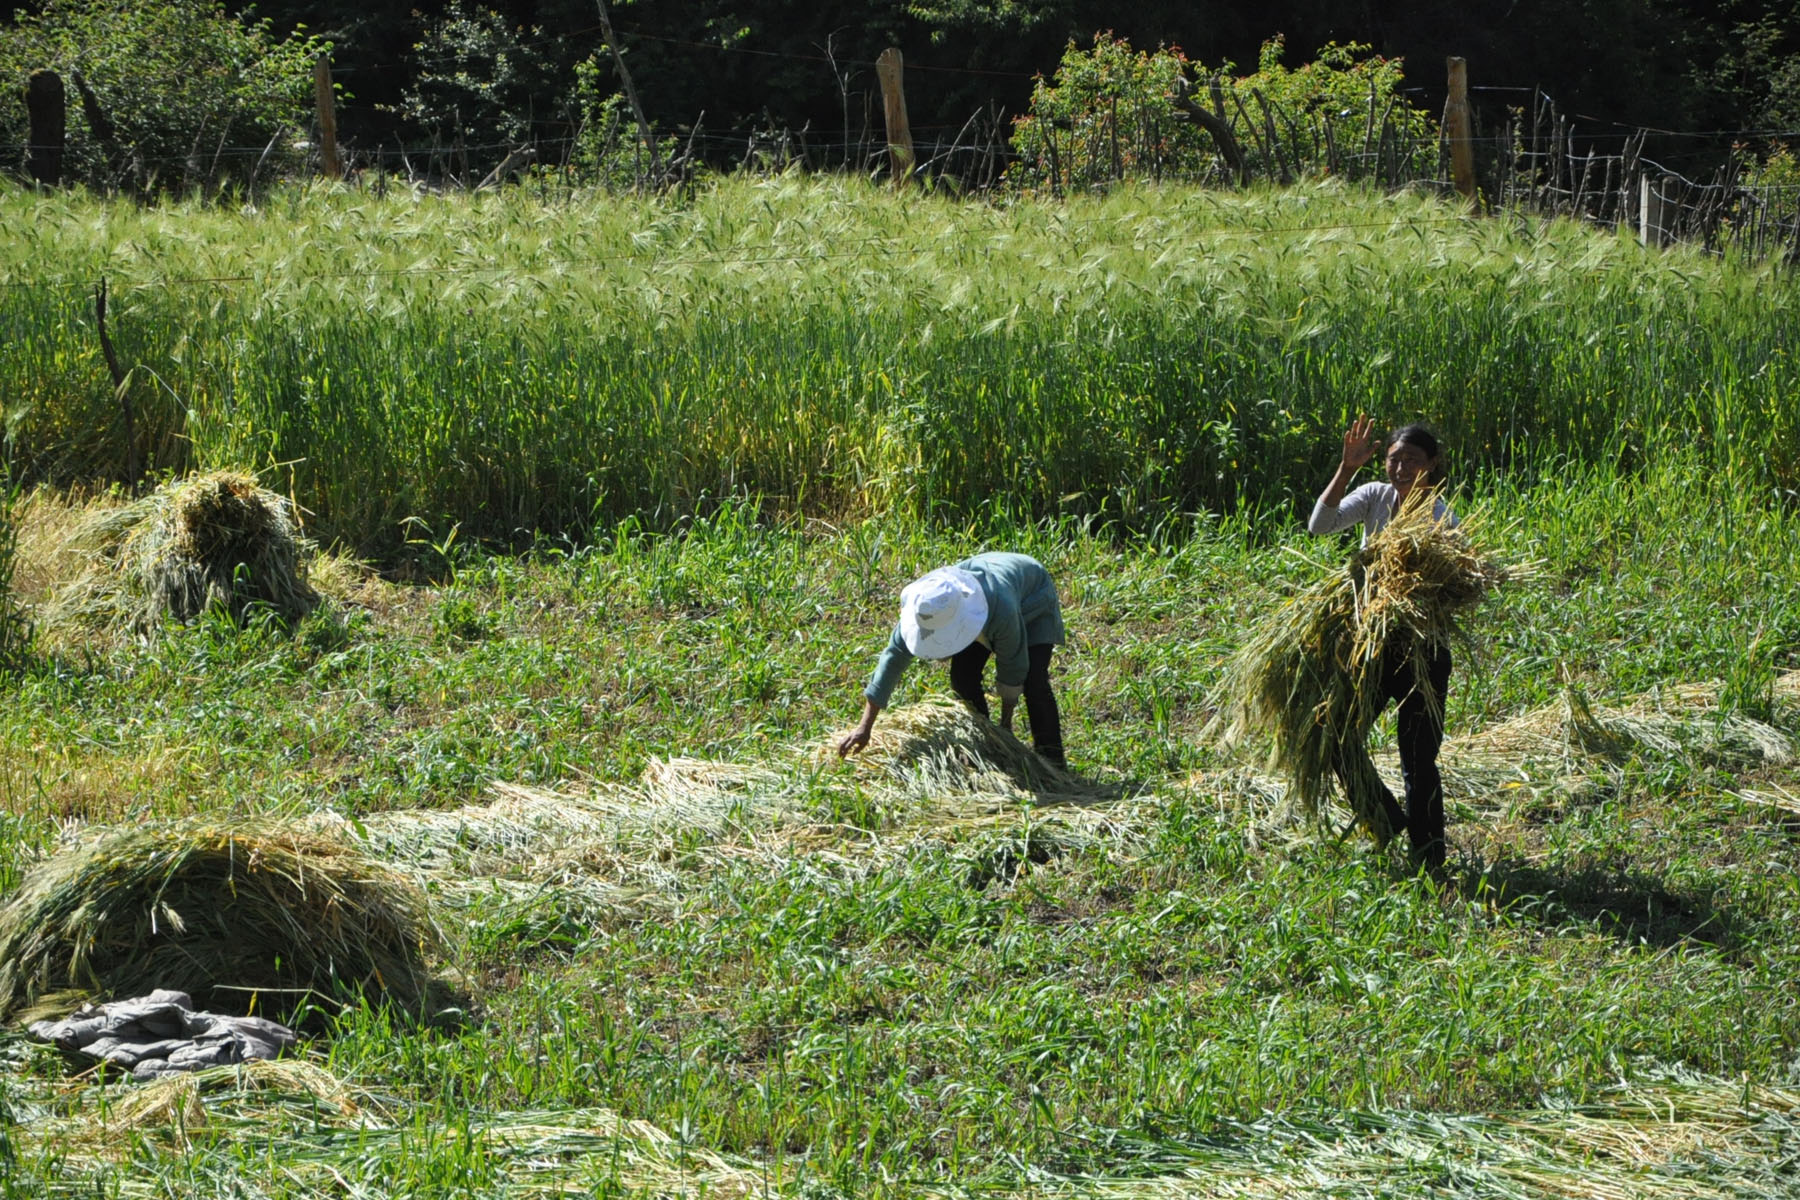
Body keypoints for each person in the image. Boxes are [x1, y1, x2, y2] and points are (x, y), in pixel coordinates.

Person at [1308, 416, 1457, 868]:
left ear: (1431, 465)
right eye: (1395, 459)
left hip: (1421, 654)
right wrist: (1347, 468)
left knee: (1418, 761)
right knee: (1333, 738)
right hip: (1372, 647)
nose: (1401, 469)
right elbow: (1320, 524)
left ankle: (1429, 859)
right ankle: (1387, 820)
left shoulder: (1440, 518)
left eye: (1412, 460)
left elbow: (1451, 589)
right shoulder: (1375, 496)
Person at [837, 552, 1066, 768]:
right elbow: (892, 660)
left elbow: (1014, 664)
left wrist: (1005, 729)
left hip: (1032, 595)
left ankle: (1052, 761)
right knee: (963, 677)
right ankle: (983, 743)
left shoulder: (1000, 610)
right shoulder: (926, 607)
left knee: (1034, 681)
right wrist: (864, 727)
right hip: (994, 584)